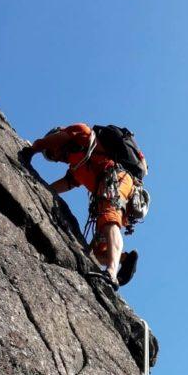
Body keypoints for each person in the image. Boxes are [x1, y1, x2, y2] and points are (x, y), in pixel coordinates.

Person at [21, 123, 145, 289]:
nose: (56, 159)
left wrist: (33, 149)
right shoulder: (77, 165)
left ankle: (111, 272)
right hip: (110, 186)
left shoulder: (82, 134)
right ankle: (124, 260)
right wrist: (42, 189)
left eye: (51, 154)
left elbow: (48, 141)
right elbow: (67, 183)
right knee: (98, 252)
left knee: (109, 218)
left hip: (116, 178)